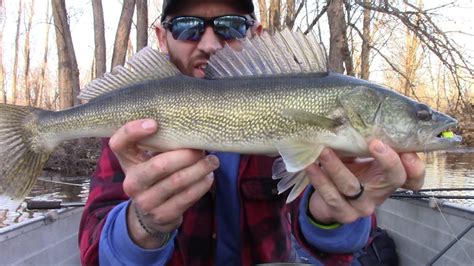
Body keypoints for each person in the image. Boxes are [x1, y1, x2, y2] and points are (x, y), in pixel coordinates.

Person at [79, 0, 426, 265]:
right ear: (161, 37)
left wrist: (328, 217)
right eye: (187, 26)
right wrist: (143, 226)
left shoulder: (331, 140)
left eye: (230, 26)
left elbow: (336, 249)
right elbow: (94, 253)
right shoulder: (134, 138)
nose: (210, 44)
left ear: (255, 34)